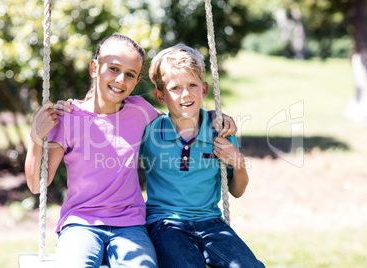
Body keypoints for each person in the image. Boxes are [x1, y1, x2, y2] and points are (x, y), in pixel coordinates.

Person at [25, 35, 236, 268]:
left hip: (130, 224)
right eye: (113, 69)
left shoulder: (140, 111)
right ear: (95, 68)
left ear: (136, 82)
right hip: (80, 223)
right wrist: (36, 136)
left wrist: (214, 118)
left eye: (130, 74)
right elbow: (37, 184)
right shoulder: (67, 117)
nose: (120, 79)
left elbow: (181, 118)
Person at [139, 44, 265, 267]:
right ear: (160, 95)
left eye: (192, 85)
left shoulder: (221, 131)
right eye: (175, 88)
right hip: (165, 224)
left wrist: (238, 162)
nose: (186, 94)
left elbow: (236, 191)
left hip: (211, 223)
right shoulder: (150, 132)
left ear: (204, 90)